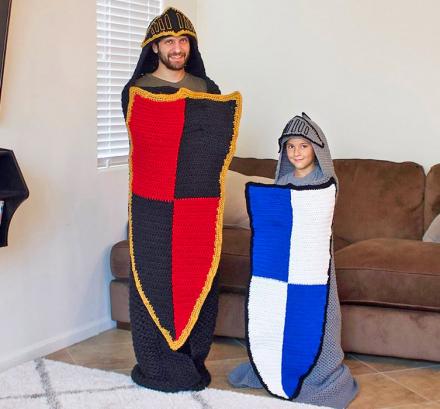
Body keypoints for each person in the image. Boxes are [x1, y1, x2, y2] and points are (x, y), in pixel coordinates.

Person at [121, 7, 222, 392]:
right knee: (154, 279)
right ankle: (158, 364)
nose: (177, 48)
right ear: (155, 47)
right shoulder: (137, 91)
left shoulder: (208, 89)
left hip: (198, 205)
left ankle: (193, 360)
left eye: (183, 41)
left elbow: (208, 149)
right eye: (169, 41)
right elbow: (147, 149)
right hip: (154, 204)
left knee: (197, 276)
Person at [229, 113, 358, 408]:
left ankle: (318, 370)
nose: (297, 152)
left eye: (303, 145)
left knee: (318, 315)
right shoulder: (283, 181)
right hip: (281, 266)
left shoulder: (325, 181)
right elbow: (275, 225)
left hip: (314, 267)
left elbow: (317, 220)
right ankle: (278, 365)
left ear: (316, 149)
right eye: (290, 147)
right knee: (279, 314)